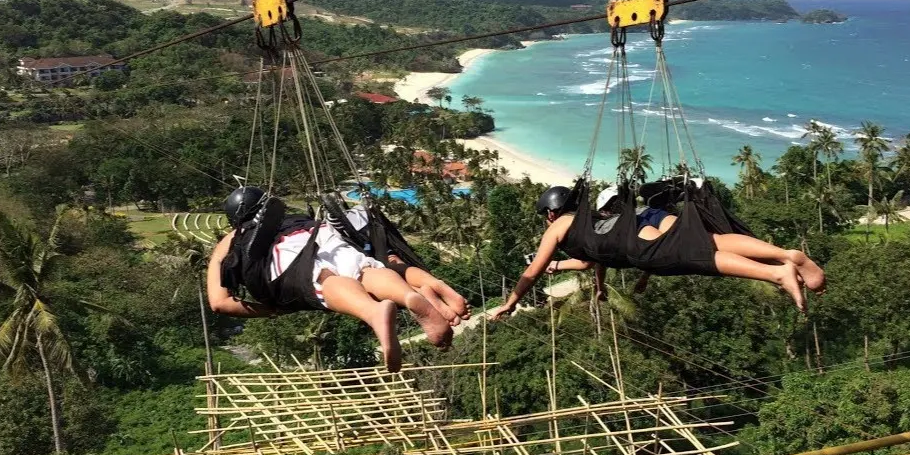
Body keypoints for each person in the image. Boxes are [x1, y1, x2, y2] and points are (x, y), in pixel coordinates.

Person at [206, 187, 453, 373]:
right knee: (364, 270)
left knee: (323, 279)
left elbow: (219, 303)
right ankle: (409, 295)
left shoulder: (232, 239)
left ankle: (373, 312)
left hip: (279, 254)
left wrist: (274, 310)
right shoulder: (291, 217)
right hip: (317, 232)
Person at [490, 184, 825, 321]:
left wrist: (511, 302)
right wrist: (588, 280)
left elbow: (532, 271)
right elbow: (595, 259)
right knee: (708, 240)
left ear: (552, 211)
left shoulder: (559, 226)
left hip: (633, 234)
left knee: (691, 255)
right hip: (640, 220)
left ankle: (775, 272)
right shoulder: (589, 218)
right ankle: (784, 255)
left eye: (545, 214)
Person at [343, 204, 471, 326]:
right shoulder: (361, 212)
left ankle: (420, 294)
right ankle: (433, 283)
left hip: (352, 239)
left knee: (370, 277)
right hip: (372, 226)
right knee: (395, 262)